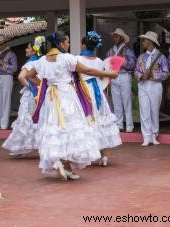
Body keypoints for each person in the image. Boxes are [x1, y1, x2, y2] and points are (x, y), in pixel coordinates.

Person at [18, 31, 117, 180]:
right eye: (68, 42)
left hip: (51, 98)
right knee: (70, 130)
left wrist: (44, 85)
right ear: (61, 43)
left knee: (55, 130)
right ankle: (63, 163)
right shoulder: (67, 58)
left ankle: (63, 164)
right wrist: (110, 75)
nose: (69, 44)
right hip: (66, 96)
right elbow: (88, 70)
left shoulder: (42, 60)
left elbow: (28, 75)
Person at [77, 31, 122, 166]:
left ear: (84, 46)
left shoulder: (77, 60)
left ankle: (86, 154)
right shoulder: (99, 61)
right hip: (98, 93)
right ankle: (104, 156)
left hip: (84, 92)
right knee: (101, 121)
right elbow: (103, 78)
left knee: (86, 121)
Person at [2, 36, 46, 156]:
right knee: (39, 118)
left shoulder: (31, 62)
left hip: (31, 95)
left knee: (26, 118)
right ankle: (38, 145)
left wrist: (30, 87)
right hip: (41, 93)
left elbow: (21, 77)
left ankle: (20, 146)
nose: (26, 50)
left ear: (34, 50)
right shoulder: (42, 60)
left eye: (28, 47)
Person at [135, 31, 170, 146]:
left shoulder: (161, 57)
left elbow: (166, 73)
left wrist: (153, 75)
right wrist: (141, 76)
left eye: (144, 40)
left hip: (155, 85)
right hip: (143, 85)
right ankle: (146, 136)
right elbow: (136, 71)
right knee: (144, 111)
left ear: (150, 42)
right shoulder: (141, 57)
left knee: (154, 111)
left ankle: (154, 135)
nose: (143, 42)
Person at [106, 28, 136, 132]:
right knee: (116, 101)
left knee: (126, 101)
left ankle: (129, 125)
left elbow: (133, 64)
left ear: (122, 38)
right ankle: (119, 124)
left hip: (124, 76)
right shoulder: (110, 51)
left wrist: (122, 62)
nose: (114, 38)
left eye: (116, 36)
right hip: (114, 76)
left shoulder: (127, 50)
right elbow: (107, 65)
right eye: (113, 36)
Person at [0, 34, 17, 130]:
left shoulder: (12, 54)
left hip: (7, 78)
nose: (0, 45)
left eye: (1, 44)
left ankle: (4, 124)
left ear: (6, 43)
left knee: (6, 101)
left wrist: (2, 64)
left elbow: (14, 68)